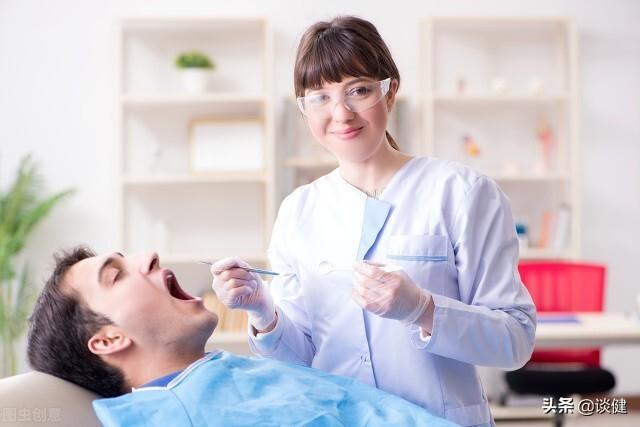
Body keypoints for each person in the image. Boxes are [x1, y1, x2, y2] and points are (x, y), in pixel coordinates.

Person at [210, 16, 537, 427]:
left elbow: (515, 340)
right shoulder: (298, 211)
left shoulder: (462, 193)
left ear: (390, 91)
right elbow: (299, 361)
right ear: (303, 109)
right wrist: (263, 313)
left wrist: (423, 309)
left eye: (358, 90)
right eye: (320, 97)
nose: (341, 113)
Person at [26, 246, 457, 427]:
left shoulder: (225, 377)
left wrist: (266, 315)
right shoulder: (175, 415)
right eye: (116, 275)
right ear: (107, 340)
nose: (149, 256)